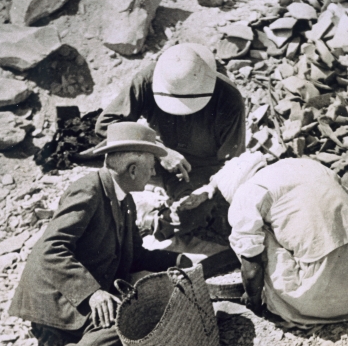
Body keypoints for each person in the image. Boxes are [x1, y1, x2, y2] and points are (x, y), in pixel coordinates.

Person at [3, 122, 191, 346]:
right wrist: (92, 293)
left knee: (127, 339)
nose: (154, 173)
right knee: (124, 327)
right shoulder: (88, 188)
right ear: (132, 169)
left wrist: (179, 258)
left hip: (73, 300)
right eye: (151, 166)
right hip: (55, 302)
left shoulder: (124, 202)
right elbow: (50, 248)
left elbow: (135, 256)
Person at [181, 152, 348, 327]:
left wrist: (254, 301)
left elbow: (252, 272)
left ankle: (292, 301)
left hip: (324, 293)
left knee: (253, 240)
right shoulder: (304, 164)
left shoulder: (247, 193)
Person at [93, 42, 246, 240]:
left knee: (203, 212)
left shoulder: (229, 98)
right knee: (112, 163)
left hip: (200, 171)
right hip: (153, 157)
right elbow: (105, 125)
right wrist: (159, 150)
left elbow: (234, 165)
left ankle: (152, 223)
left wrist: (207, 191)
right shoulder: (150, 78)